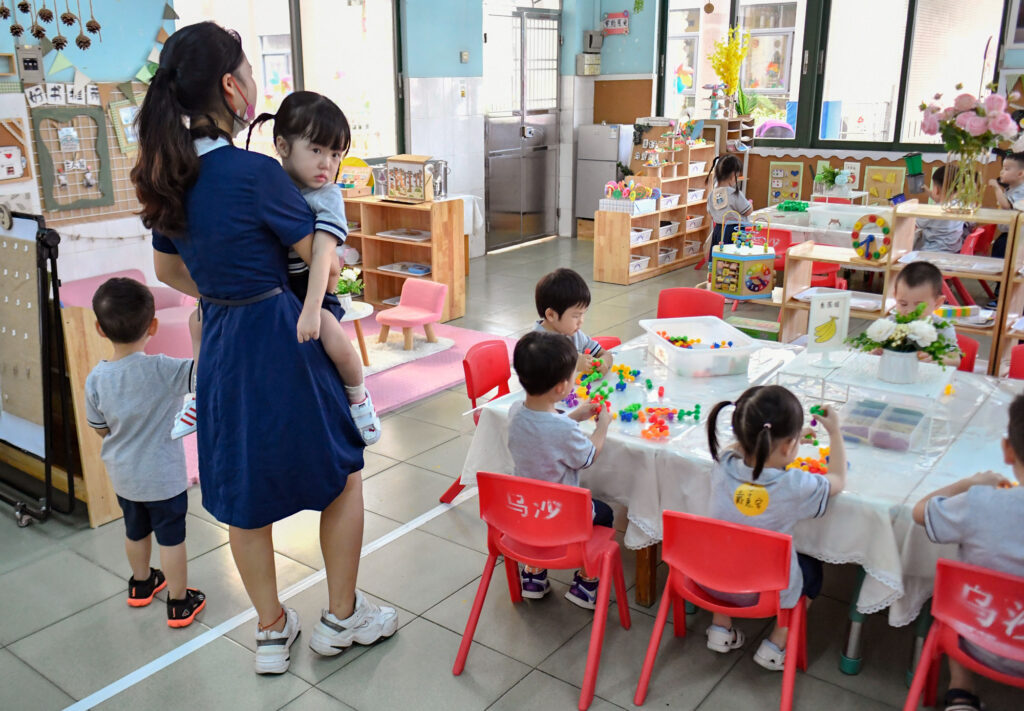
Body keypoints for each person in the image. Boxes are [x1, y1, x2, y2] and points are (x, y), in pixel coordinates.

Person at [131, 22, 396, 675]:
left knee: (242, 492)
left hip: (221, 343)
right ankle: (342, 617)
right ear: (231, 85)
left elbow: (167, 273)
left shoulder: (171, 173)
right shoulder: (254, 174)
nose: (253, 81)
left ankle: (272, 631)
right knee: (341, 473)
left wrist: (224, 290)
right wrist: (272, 284)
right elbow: (324, 267)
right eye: (247, 70)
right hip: (285, 335)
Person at [169, 91, 380, 445]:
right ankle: (198, 395)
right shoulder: (267, 180)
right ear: (282, 145)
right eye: (316, 151)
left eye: (335, 154)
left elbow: (324, 262)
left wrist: (312, 310)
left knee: (333, 335)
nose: (327, 164)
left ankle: (359, 398)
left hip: (305, 290)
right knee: (197, 321)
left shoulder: (327, 196)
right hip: (272, 287)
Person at [85, 277, 207, 628]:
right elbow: (203, 378)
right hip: (164, 477)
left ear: (99, 328)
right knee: (172, 539)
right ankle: (180, 603)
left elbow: (99, 427)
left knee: (134, 531)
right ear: (152, 326)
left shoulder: (96, 378)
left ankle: (141, 584)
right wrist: (197, 338)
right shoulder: (162, 369)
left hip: (124, 477)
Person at [703, 385, 846, 671]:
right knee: (813, 569)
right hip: (763, 592)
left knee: (729, 547)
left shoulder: (724, 464)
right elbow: (838, 480)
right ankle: (776, 644)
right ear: (786, 446)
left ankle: (720, 628)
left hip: (710, 579)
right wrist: (835, 433)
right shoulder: (793, 485)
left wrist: (781, 441)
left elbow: (737, 447)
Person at [911, 393, 1024, 711]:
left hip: (973, 640)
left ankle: (961, 690)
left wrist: (968, 484)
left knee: (954, 594)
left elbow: (920, 512)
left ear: (1007, 450)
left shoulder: (980, 503)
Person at [506, 331, 614, 609]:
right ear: (561, 387)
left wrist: (576, 415)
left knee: (541, 507)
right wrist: (603, 426)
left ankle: (533, 574)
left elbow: (545, 427)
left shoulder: (515, 412)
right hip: (560, 516)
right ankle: (586, 583)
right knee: (605, 512)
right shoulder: (563, 429)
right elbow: (589, 456)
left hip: (524, 511)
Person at [874, 261, 961, 368]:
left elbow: (955, 359)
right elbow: (872, 352)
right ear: (895, 296)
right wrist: (875, 353)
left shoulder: (943, 328)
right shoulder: (890, 324)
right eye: (903, 304)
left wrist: (937, 358)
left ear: (937, 303)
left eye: (919, 306)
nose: (910, 311)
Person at [534, 268, 612, 375]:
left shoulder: (574, 335)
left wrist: (604, 363)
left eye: (583, 314)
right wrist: (572, 365)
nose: (581, 321)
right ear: (551, 315)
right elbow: (540, 379)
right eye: (576, 316)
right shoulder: (535, 345)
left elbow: (604, 353)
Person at [986, 152, 1024, 307]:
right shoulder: (1012, 188)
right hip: (1009, 234)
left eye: (1007, 169)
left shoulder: (1020, 189)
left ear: (1021, 173)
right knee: (1002, 260)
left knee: (1007, 266)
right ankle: (1000, 295)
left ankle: (1003, 298)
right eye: (1002, 168)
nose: (1002, 172)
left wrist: (996, 188)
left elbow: (1006, 205)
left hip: (1015, 237)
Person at [916, 166, 968, 253]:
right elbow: (942, 200)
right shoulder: (961, 204)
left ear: (935, 189)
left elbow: (914, 224)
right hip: (954, 251)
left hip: (932, 252)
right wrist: (929, 192)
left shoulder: (932, 211)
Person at [706, 154, 752, 248]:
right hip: (735, 231)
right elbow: (747, 211)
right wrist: (750, 204)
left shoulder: (712, 194)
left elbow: (710, 214)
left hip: (718, 230)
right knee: (733, 257)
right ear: (733, 175)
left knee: (719, 255)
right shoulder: (734, 193)